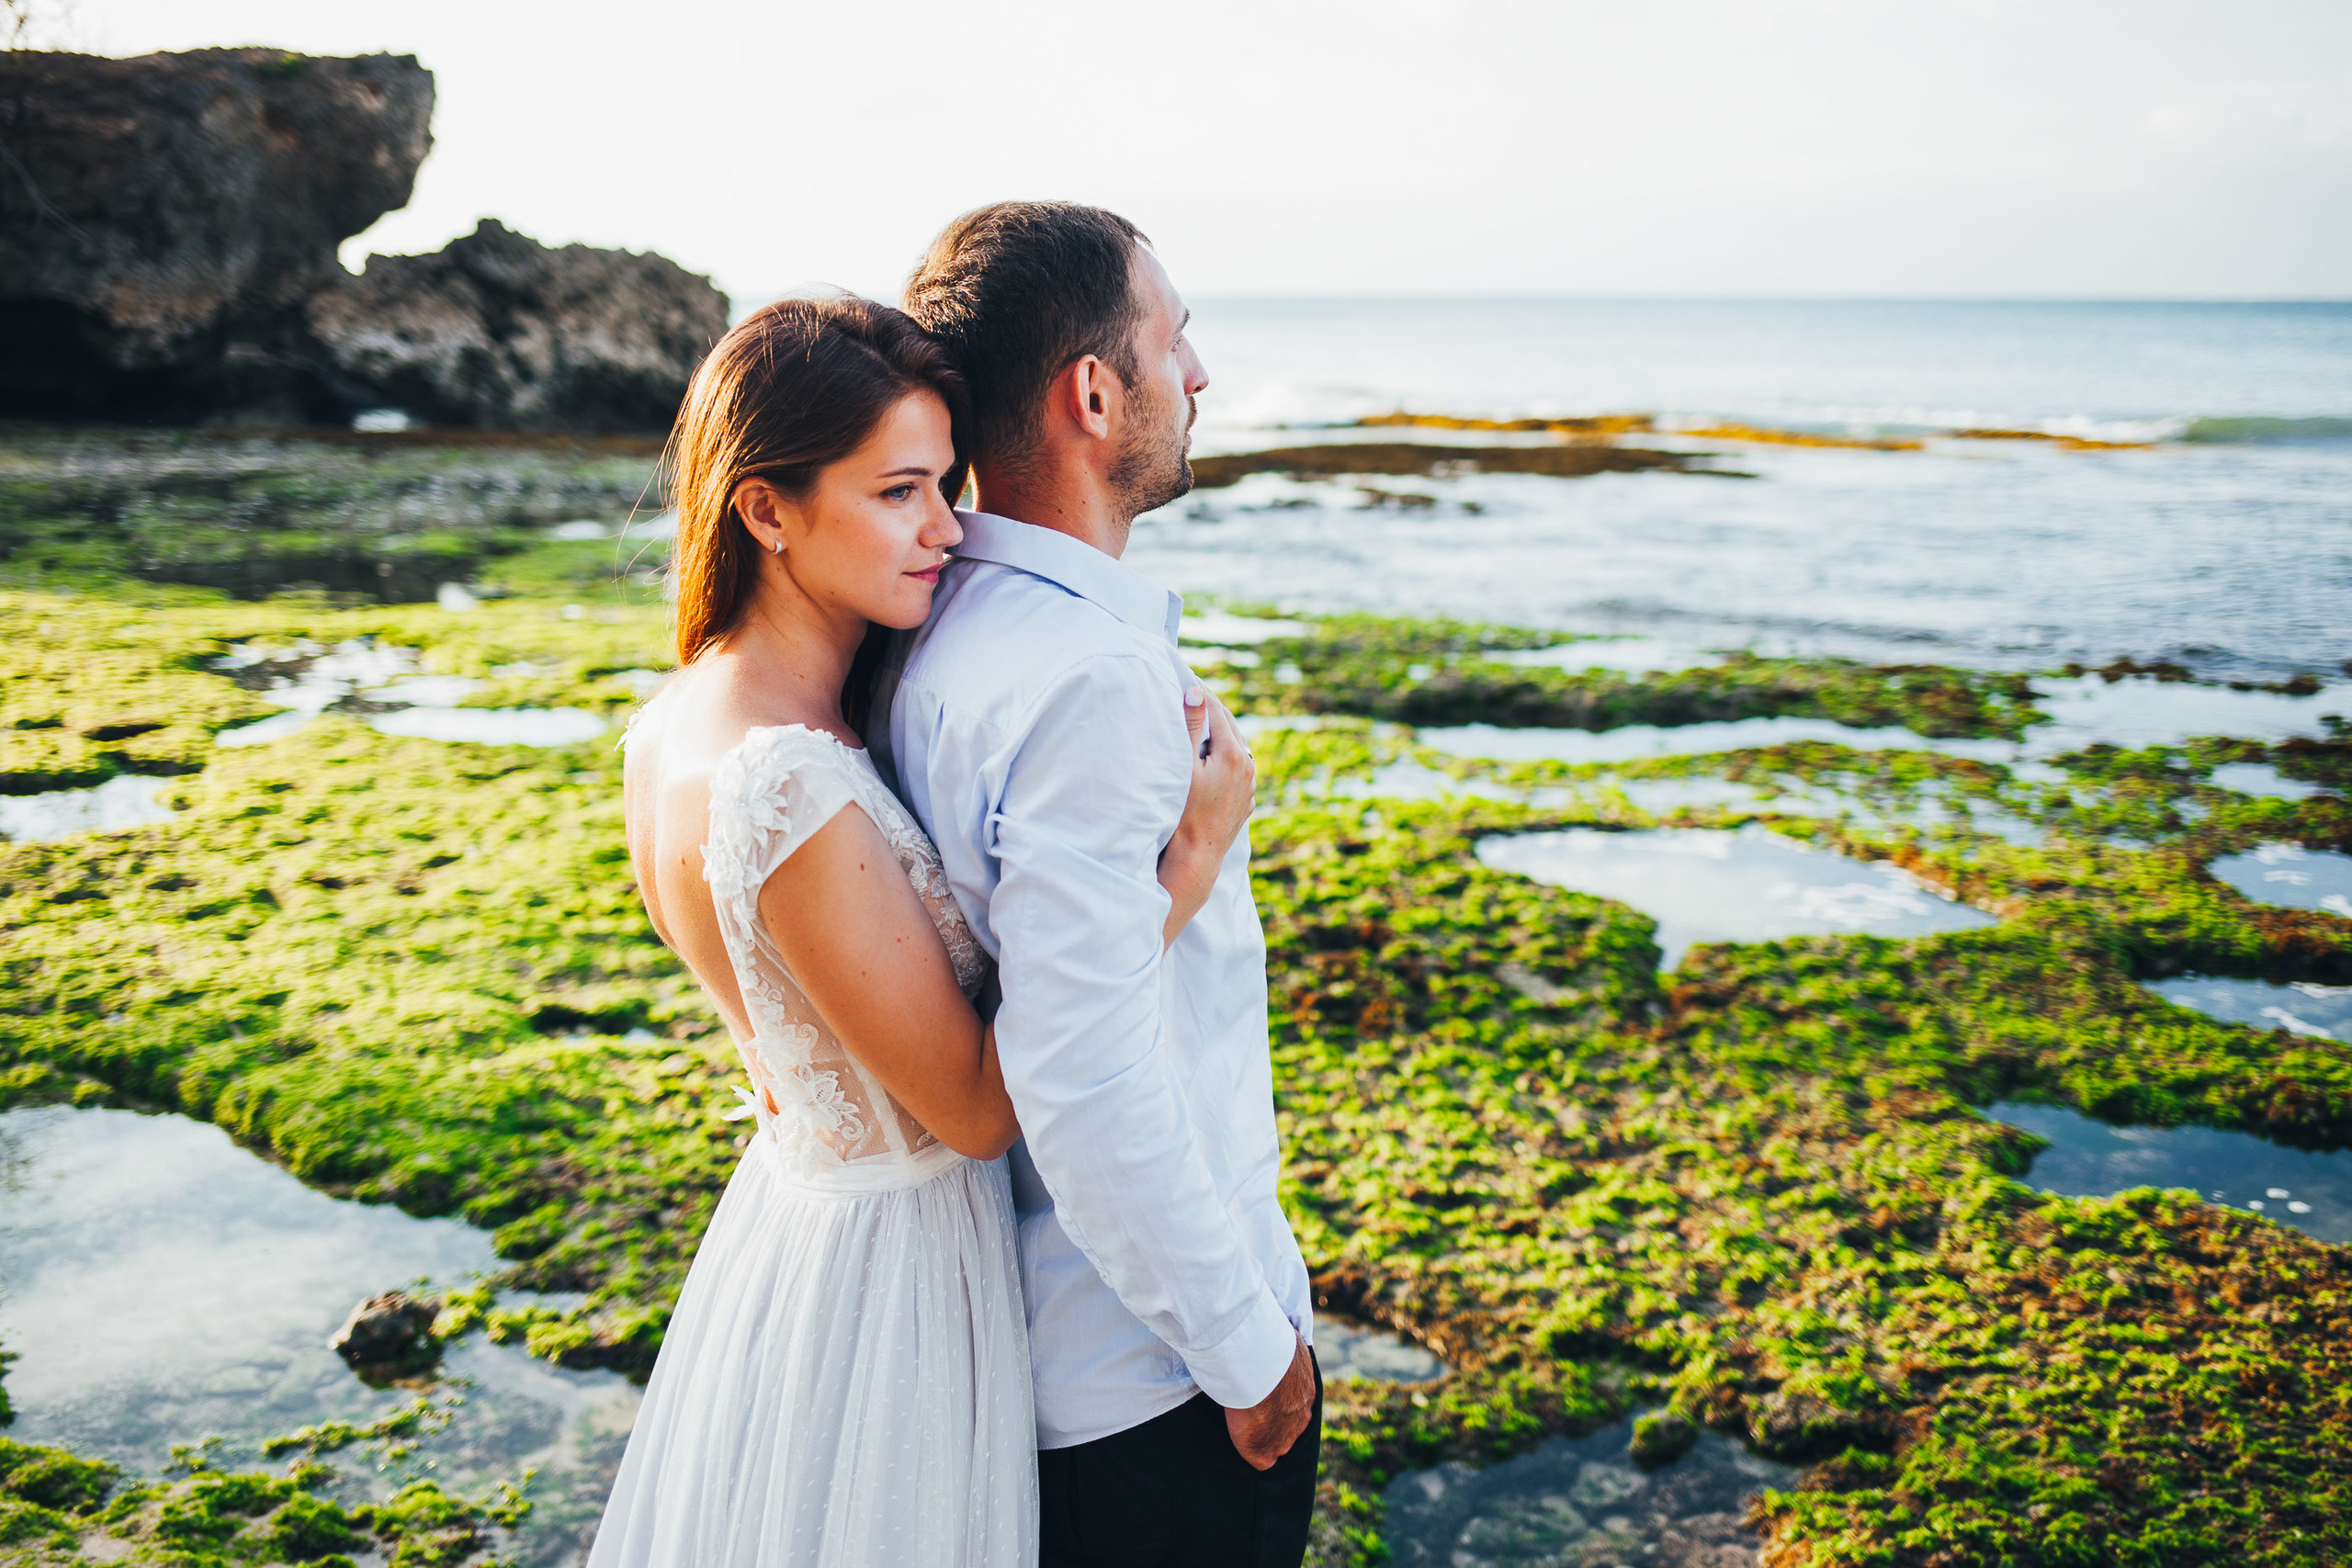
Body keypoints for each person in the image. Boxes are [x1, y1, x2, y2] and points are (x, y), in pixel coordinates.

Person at [587, 293, 1258, 1568]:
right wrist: (1187, 862)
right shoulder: (786, 783)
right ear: (766, 509)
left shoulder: (675, 717)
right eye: (900, 493)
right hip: (891, 1276)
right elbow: (978, 1110)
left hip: (796, 1222)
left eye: (947, 483)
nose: (950, 530)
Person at [878, 202, 1321, 1568]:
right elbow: (1085, 1070)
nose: (1198, 376)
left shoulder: (932, 629)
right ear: (1092, 390)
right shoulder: (1089, 675)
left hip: (1043, 1357)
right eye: (1174, 340)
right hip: (1152, 1386)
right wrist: (1253, 1360)